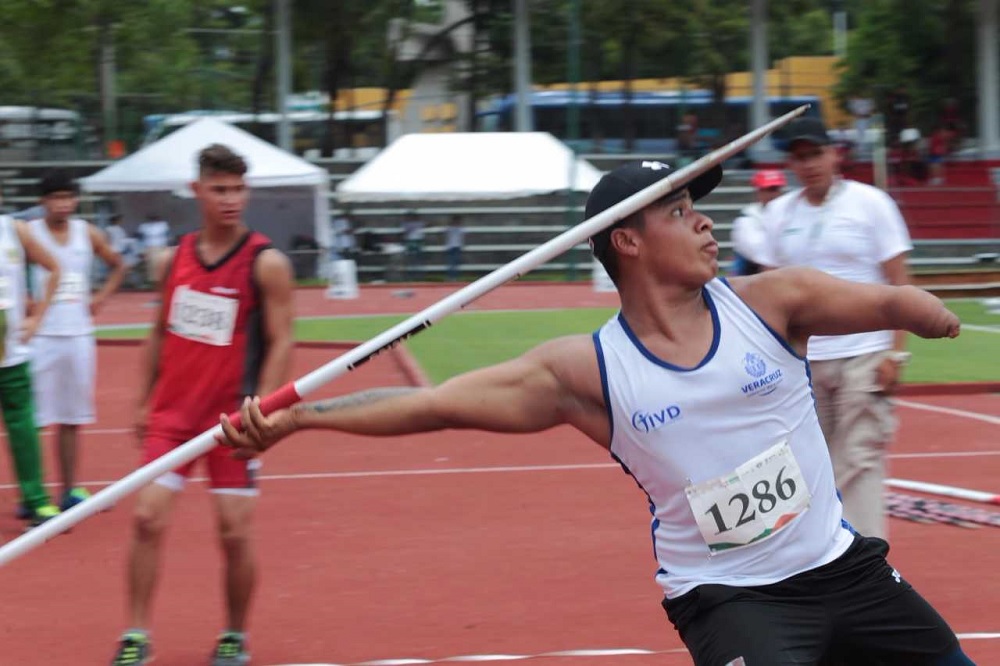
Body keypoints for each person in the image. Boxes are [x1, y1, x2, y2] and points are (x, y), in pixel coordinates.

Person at [217, 159, 971, 666]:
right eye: (680, 211)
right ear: (629, 241)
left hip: (843, 570)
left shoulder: (773, 302)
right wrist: (301, 419)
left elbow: (882, 299)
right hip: (734, 601)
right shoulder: (586, 371)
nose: (706, 223)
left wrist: (922, 309)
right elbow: (428, 405)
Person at [110, 144, 295, 666]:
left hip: (232, 423)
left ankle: (235, 634)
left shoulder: (266, 263)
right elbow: (156, 333)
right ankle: (136, 635)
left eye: (239, 189)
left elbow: (283, 340)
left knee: (234, 531)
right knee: (147, 520)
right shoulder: (174, 259)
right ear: (197, 190)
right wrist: (143, 400)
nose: (231, 199)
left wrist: (265, 411)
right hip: (172, 417)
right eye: (220, 189)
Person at [758, 116, 915, 541]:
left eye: (816, 154)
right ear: (790, 163)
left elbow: (900, 282)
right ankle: (816, 556)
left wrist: (896, 353)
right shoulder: (777, 213)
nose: (809, 164)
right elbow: (771, 291)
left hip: (865, 350)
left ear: (834, 154)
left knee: (859, 457)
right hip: (807, 361)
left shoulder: (871, 203)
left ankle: (865, 562)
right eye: (799, 157)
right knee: (811, 460)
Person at [29, 170, 125, 512]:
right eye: (56, 198)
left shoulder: (88, 233)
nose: (63, 204)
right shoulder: (30, 234)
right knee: (35, 420)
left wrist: (102, 297)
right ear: (43, 202)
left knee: (71, 418)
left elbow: (118, 265)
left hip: (78, 335)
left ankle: (68, 490)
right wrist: (27, 303)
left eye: (68, 197)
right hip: (40, 337)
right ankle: (34, 495)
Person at [0, 192, 63, 528]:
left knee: (23, 429)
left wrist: (37, 318)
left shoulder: (14, 230)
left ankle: (35, 500)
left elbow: (54, 268)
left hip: (10, 356)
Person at [730, 169, 786, 276]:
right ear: (758, 192)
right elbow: (757, 253)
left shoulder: (788, 214)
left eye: (775, 189)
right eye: (766, 190)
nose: (772, 195)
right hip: (751, 277)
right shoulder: (746, 220)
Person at [137, 214, 171, 288]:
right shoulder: (144, 226)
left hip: (160, 246)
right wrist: (141, 248)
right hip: (149, 246)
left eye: (154, 218)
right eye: (151, 218)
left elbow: (167, 235)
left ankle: (161, 281)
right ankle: (152, 283)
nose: (153, 220)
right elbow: (140, 238)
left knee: (159, 264)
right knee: (150, 265)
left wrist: (166, 245)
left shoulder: (162, 225)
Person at [444, 214, 465, 281]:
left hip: (457, 246)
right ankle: (451, 277)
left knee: (455, 263)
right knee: (451, 263)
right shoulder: (450, 228)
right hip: (451, 247)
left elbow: (463, 237)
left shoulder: (461, 229)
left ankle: (454, 277)